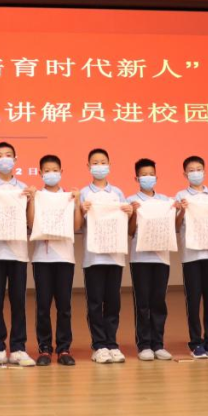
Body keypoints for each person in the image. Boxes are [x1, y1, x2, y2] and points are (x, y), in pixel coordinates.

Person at [0, 141, 35, 368]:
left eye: (8, 155)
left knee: (19, 301)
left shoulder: (23, 187)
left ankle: (19, 348)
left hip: (18, 252)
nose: (4, 159)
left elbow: (30, 221)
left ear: (15, 160)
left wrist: (31, 199)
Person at [79, 148, 134, 364]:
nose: (99, 166)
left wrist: (129, 213)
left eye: (103, 162)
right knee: (94, 302)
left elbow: (126, 222)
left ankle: (112, 343)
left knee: (113, 302)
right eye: (95, 163)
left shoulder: (117, 193)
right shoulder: (84, 193)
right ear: (88, 167)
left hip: (115, 255)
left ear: (109, 165)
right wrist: (81, 210)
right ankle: (99, 345)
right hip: (93, 257)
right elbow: (78, 223)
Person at [27, 154, 81, 366]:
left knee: (64, 306)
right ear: (40, 173)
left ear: (61, 172)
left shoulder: (68, 197)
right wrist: (32, 200)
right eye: (47, 171)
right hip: (42, 258)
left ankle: (64, 348)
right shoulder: (38, 196)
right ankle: (44, 349)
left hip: (65, 257)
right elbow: (31, 223)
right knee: (43, 305)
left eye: (55, 170)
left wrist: (77, 203)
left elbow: (76, 226)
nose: (51, 174)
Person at [176, 156, 208, 359]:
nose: (195, 173)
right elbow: (176, 225)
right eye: (191, 170)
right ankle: (196, 342)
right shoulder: (181, 196)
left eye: (199, 169)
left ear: (204, 171)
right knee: (194, 299)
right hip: (191, 256)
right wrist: (182, 210)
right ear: (185, 174)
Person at [127, 158, 174, 361]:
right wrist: (134, 213)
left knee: (158, 301)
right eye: (144, 175)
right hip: (140, 258)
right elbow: (130, 231)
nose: (148, 178)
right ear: (136, 178)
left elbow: (173, 226)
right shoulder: (131, 200)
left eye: (151, 174)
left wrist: (178, 209)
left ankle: (158, 344)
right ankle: (144, 344)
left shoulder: (165, 201)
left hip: (161, 257)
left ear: (156, 176)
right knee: (143, 302)